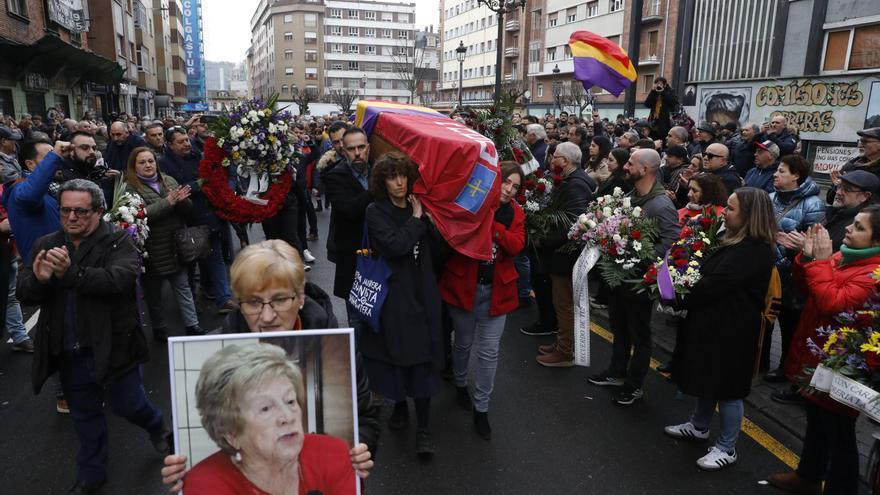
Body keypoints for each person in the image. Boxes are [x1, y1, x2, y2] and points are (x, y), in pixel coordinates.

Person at [160, 239, 376, 492]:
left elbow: (365, 419)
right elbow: (180, 434)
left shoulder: (338, 346)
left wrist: (363, 448)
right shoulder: (208, 357)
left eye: (280, 299)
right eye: (252, 303)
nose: (267, 316)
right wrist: (178, 460)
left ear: (301, 298)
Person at [18, 179, 170, 494]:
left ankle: (157, 427)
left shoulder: (117, 242)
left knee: (129, 404)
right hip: (69, 350)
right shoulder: (47, 243)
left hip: (115, 346)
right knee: (84, 415)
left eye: (80, 211)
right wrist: (40, 279)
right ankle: (92, 472)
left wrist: (70, 274)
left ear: (99, 212)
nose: (72, 217)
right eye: (65, 210)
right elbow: (26, 292)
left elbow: (119, 280)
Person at [767, 211, 880, 495]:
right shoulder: (844, 256)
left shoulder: (873, 273)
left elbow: (833, 303)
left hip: (841, 363)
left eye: (859, 227)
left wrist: (818, 262)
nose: (849, 230)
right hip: (817, 354)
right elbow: (810, 289)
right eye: (853, 223)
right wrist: (806, 259)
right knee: (817, 420)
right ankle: (808, 476)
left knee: (839, 434)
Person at [665, 187, 776, 471]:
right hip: (712, 323)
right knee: (708, 376)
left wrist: (677, 291)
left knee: (728, 388)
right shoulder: (733, 239)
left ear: (749, 216)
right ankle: (699, 425)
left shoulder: (754, 250)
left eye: (730, 208)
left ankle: (727, 447)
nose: (724, 212)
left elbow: (714, 284)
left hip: (732, 329)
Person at [178, 344, 357, 494]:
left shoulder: (333, 453)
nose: (287, 416)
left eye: (290, 401)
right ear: (231, 433)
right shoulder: (204, 486)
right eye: (265, 408)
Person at [358, 152, 444, 457]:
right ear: (382, 181)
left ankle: (424, 429)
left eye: (403, 176)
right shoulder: (375, 211)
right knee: (395, 356)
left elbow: (436, 251)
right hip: (394, 299)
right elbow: (395, 245)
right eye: (391, 177)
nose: (398, 182)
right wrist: (417, 222)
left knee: (422, 360)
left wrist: (430, 224)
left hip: (423, 295)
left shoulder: (418, 207)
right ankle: (400, 409)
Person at [440, 162, 525, 440]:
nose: (510, 190)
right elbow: (454, 235)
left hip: (497, 291)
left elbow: (515, 246)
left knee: (489, 352)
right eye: (506, 183)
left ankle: (482, 408)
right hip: (465, 285)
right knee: (463, 343)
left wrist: (495, 228)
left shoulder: (516, 213)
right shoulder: (473, 201)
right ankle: (461, 383)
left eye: (515, 186)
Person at [588, 149, 679, 404]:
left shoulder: (661, 204)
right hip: (620, 279)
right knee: (619, 327)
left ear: (646, 169)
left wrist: (638, 256)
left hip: (639, 282)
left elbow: (672, 241)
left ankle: (634, 384)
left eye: (630, 163)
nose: (625, 166)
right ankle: (617, 372)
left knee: (640, 336)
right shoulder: (631, 196)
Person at [123, 147, 203, 340]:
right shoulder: (130, 188)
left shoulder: (168, 180)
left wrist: (183, 201)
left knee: (183, 287)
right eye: (142, 162)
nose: (148, 165)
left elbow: (187, 210)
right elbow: (138, 215)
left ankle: (193, 326)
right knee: (153, 294)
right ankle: (159, 328)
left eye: (150, 161)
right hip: (150, 249)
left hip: (175, 246)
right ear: (134, 166)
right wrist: (169, 202)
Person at [762, 154, 825, 383]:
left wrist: (792, 247)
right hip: (767, 269)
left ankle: (785, 369)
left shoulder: (813, 204)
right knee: (764, 319)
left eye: (781, 171)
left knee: (789, 325)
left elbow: (810, 243)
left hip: (790, 274)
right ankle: (761, 361)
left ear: (796, 175)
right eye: (776, 171)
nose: (775, 175)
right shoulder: (770, 197)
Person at [160, 127, 236, 314]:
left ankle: (223, 299)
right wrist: (198, 184)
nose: (186, 144)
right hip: (184, 221)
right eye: (181, 141)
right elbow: (175, 190)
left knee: (216, 258)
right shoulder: (163, 164)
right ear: (170, 144)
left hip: (209, 216)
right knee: (189, 263)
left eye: (187, 140)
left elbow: (215, 178)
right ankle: (191, 303)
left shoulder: (199, 157)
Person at [535, 142, 596, 367]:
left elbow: (573, 224)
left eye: (556, 157)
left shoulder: (575, 185)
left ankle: (566, 351)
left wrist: (544, 241)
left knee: (565, 303)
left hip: (566, 255)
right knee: (562, 301)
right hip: (564, 254)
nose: (552, 160)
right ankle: (562, 341)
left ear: (567, 162)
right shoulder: (576, 180)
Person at [322, 127, 374, 337]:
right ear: (344, 151)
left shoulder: (379, 169)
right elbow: (349, 210)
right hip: (352, 258)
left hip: (380, 254)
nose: (357, 153)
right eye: (351, 149)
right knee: (357, 319)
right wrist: (375, 190)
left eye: (361, 147)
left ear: (369, 148)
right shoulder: (336, 176)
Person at [827, 127, 880, 205]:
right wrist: (838, 186)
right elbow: (830, 199)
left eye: (865, 141)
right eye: (860, 141)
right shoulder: (850, 166)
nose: (860, 145)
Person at [645, 76, 678, 141]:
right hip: (653, 121)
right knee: (652, 138)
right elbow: (647, 104)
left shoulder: (670, 91)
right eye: (657, 84)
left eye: (660, 84)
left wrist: (663, 92)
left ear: (665, 85)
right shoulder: (654, 92)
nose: (659, 85)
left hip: (665, 121)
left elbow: (673, 101)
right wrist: (653, 92)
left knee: (663, 139)